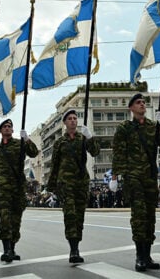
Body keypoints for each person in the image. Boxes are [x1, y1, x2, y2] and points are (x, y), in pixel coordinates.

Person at [111, 93, 160, 272]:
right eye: (138, 103)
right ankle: (139, 256)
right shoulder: (125, 128)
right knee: (139, 216)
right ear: (131, 108)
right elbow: (118, 152)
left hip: (150, 177)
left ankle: (148, 255)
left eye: (144, 102)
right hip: (133, 176)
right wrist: (115, 176)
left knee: (150, 217)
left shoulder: (153, 126)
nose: (142, 105)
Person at [46, 109, 100, 263]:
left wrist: (90, 137)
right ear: (64, 123)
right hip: (65, 184)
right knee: (70, 215)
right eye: (69, 118)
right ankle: (73, 249)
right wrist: (52, 187)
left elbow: (95, 152)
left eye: (75, 118)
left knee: (79, 217)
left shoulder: (83, 139)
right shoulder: (59, 143)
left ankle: (77, 244)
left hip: (81, 183)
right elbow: (55, 164)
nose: (73, 121)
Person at [0, 119, 40, 263]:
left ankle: (12, 247)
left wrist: (27, 139)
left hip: (18, 187)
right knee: (5, 218)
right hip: (3, 188)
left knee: (16, 220)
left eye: (10, 126)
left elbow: (34, 153)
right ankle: (6, 250)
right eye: (5, 126)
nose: (7, 128)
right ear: (0, 130)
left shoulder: (19, 144)